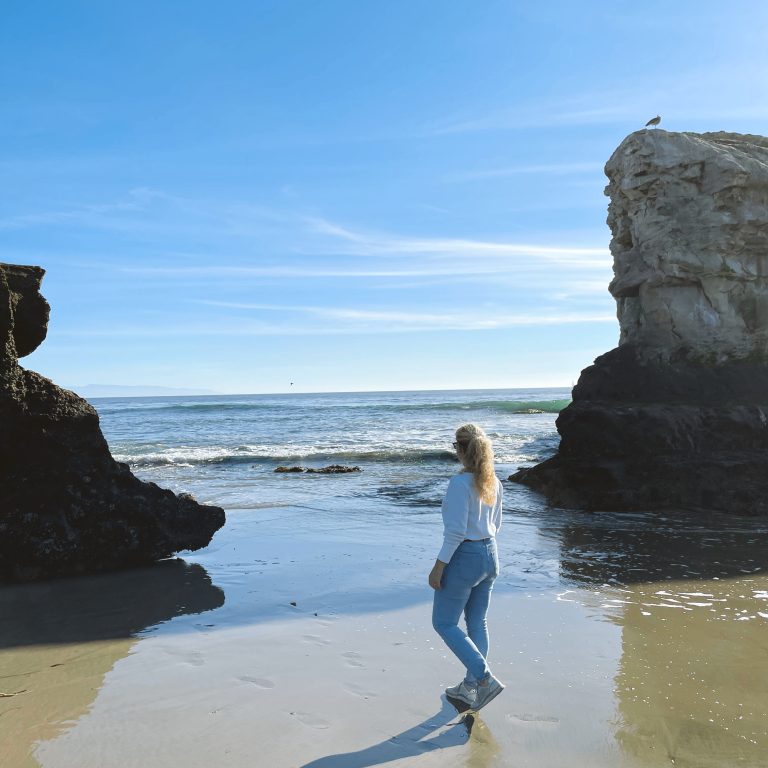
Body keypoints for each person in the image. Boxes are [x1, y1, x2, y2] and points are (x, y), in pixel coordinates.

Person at [429, 423, 504, 711]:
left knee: (444, 623)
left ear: (461, 450)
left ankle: (484, 679)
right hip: (490, 554)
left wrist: (438, 567)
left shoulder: (459, 484)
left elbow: (456, 533)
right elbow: (497, 525)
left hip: (465, 556)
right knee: (477, 622)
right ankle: (470, 687)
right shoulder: (493, 482)